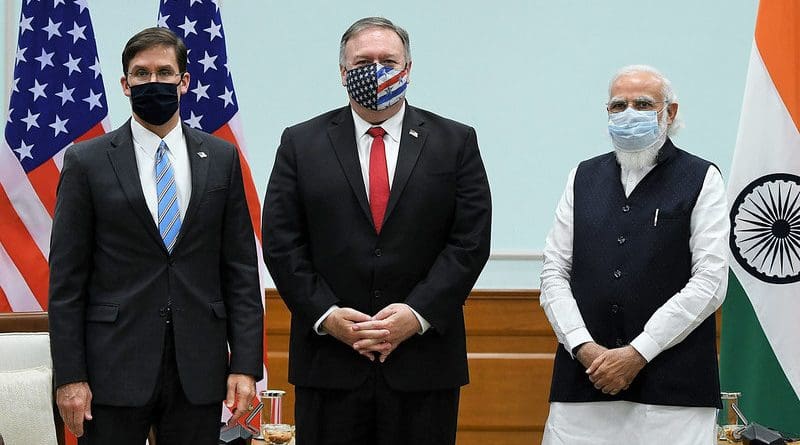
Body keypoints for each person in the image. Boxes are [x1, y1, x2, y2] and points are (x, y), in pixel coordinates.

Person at [262, 16, 492, 445]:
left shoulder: (455, 141)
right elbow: (281, 243)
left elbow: (470, 242)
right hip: (329, 363)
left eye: (389, 60)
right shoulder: (300, 142)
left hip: (423, 364)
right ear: (343, 72)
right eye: (364, 60)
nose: (377, 68)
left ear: (408, 69)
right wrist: (328, 316)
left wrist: (416, 315)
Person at [48, 27, 263, 445]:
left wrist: (246, 365)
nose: (153, 82)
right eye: (141, 74)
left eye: (165, 72)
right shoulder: (87, 161)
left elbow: (239, 270)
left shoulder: (221, 159)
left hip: (198, 372)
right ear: (125, 85)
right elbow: (66, 282)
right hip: (112, 371)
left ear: (184, 81)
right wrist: (71, 377)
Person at [539, 65, 729, 444]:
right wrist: (583, 346)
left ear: (669, 113)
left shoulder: (702, 177)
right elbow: (554, 272)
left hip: (674, 394)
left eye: (643, 104)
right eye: (618, 105)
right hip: (584, 383)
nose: (629, 114)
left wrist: (638, 352)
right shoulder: (583, 176)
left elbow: (710, 282)